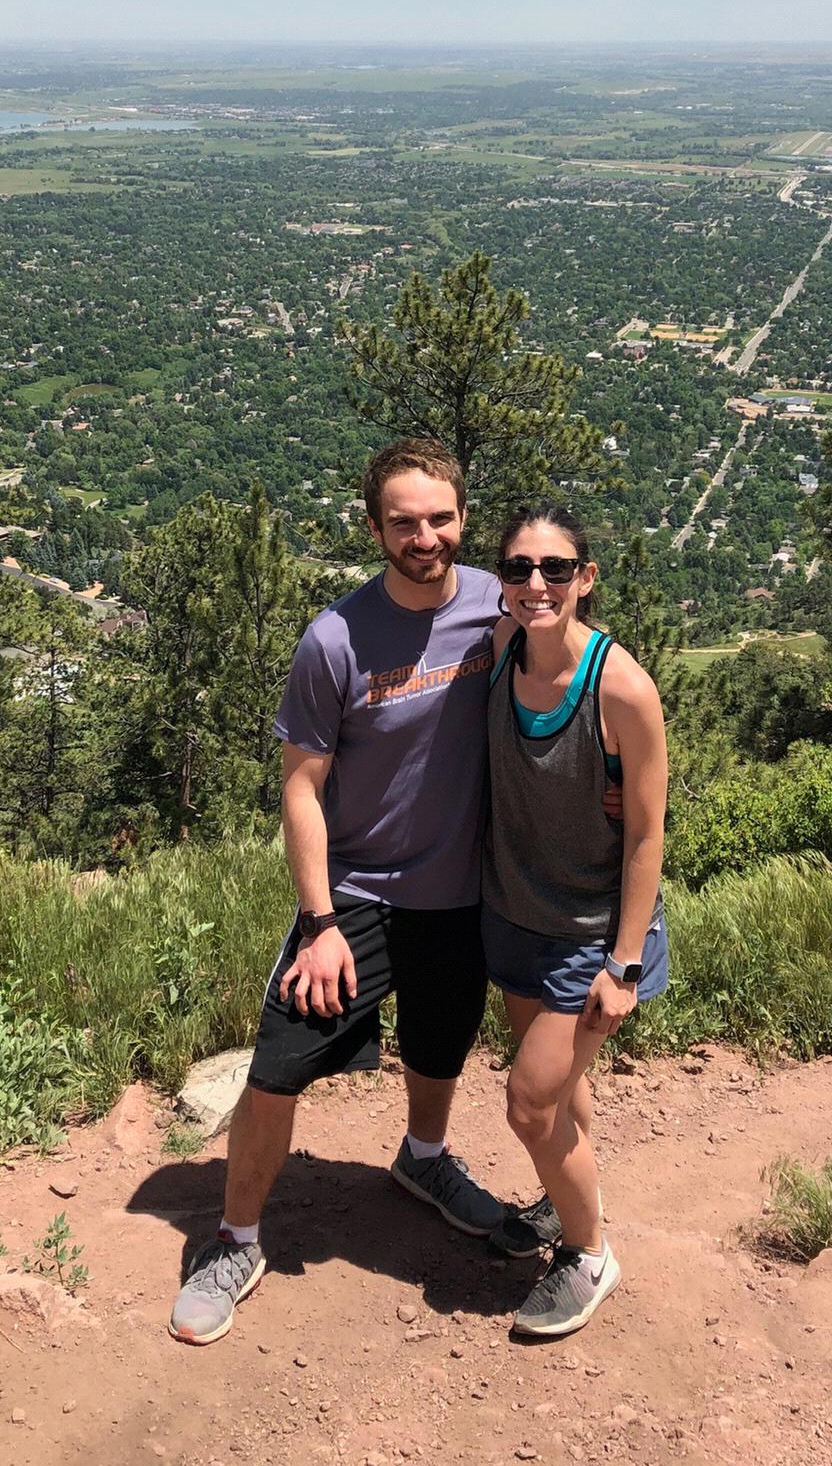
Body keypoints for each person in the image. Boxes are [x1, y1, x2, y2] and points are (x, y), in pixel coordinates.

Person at [169, 437, 509, 1345]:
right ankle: (236, 1237)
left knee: (441, 1047)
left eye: (439, 518)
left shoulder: (500, 606)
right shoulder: (335, 639)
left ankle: (424, 1160)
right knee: (280, 1067)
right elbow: (301, 786)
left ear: (462, 519)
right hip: (355, 894)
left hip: (460, 892)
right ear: (374, 528)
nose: (424, 536)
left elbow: (574, 687)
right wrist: (319, 921)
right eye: (404, 522)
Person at [480, 501, 669, 1339]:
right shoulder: (495, 654)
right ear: (502, 583)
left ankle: (589, 1254)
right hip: (516, 915)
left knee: (528, 1102)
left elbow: (647, 833)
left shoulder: (619, 687)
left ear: (584, 580)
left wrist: (625, 963)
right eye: (519, 569)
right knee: (561, 1093)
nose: (536, 585)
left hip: (592, 935)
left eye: (555, 569)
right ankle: (566, 1204)